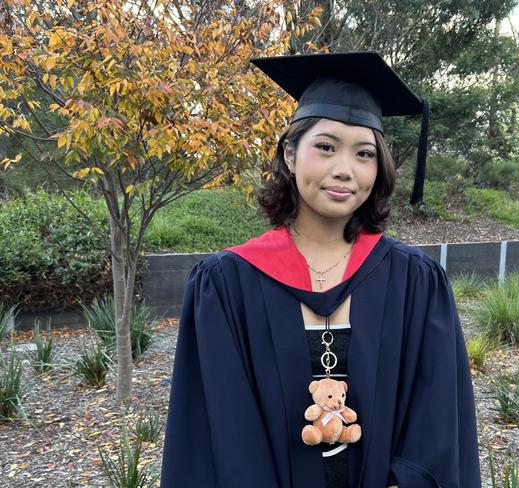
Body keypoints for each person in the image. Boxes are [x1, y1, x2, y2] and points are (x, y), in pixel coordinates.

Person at [161, 52, 480, 488]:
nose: (344, 170)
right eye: (325, 147)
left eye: (364, 153)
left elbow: (439, 420)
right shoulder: (227, 283)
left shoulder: (415, 281)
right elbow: (217, 428)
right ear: (290, 154)